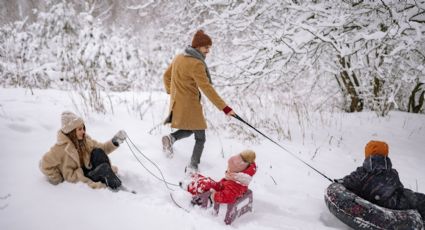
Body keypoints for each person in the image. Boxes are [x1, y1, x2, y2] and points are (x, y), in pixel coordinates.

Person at [161, 29, 235, 172]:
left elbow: (165, 76)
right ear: (197, 46)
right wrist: (225, 108)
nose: (208, 50)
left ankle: (170, 139)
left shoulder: (179, 57)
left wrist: (172, 92)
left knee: (189, 129)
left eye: (209, 47)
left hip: (178, 102)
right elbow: (207, 88)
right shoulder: (197, 64)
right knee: (200, 137)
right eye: (206, 47)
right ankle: (192, 167)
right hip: (190, 104)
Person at [336, 140, 425, 221]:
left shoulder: (363, 172)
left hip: (387, 204)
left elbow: (348, 182)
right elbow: (399, 187)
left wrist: (340, 182)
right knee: (418, 200)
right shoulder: (392, 172)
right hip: (396, 203)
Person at [40, 111, 127, 190]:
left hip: (89, 170)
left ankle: (111, 180)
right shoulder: (60, 149)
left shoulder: (85, 140)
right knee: (104, 169)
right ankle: (117, 188)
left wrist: (115, 141)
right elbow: (44, 164)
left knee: (98, 152)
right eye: (80, 129)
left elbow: (103, 148)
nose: (83, 132)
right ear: (71, 131)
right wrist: (58, 179)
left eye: (83, 128)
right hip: (80, 177)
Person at [182, 150, 256, 204]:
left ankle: (188, 186)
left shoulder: (235, 184)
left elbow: (229, 197)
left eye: (229, 167)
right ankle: (193, 177)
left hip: (217, 194)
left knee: (204, 186)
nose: (228, 169)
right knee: (207, 181)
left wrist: (214, 196)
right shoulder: (237, 178)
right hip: (221, 188)